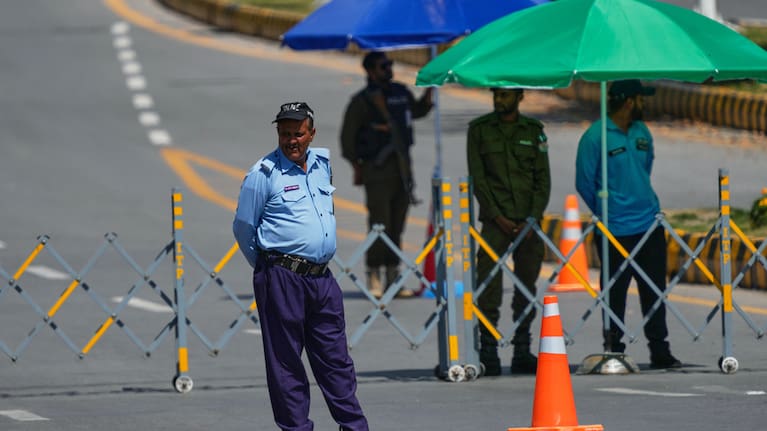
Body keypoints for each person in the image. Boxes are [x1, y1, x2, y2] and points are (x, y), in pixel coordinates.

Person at [233, 102, 369, 431]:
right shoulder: (263, 174)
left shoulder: (322, 164)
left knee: (336, 361)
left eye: (297, 133)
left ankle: (354, 427)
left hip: (322, 279)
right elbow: (243, 227)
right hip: (282, 278)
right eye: (284, 134)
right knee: (286, 363)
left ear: (311, 134)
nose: (291, 140)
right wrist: (272, 266)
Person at [575, 79, 682, 369]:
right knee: (615, 293)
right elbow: (585, 182)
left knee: (654, 291)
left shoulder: (641, 132)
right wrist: (608, 212)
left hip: (648, 225)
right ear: (629, 101)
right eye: (641, 98)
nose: (645, 103)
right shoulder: (595, 137)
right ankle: (614, 348)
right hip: (614, 230)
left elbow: (645, 169)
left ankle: (660, 350)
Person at [467, 88, 551, 376]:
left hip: (528, 223)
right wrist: (496, 215)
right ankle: (488, 350)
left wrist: (532, 218)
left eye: (506, 95)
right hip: (495, 222)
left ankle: (522, 349)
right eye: (496, 95)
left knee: (526, 285)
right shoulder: (479, 131)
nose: (499, 100)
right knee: (488, 284)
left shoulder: (534, 131)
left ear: (519, 97)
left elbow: (543, 179)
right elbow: (478, 177)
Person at [340, 51, 433, 299]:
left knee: (397, 226)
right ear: (370, 71)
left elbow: (416, 111)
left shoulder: (400, 94)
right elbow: (347, 141)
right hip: (377, 172)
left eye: (389, 65)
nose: (388, 69)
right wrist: (358, 166)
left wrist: (430, 94)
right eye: (383, 66)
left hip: (402, 171)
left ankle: (394, 276)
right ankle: (374, 274)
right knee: (379, 225)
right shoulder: (362, 102)